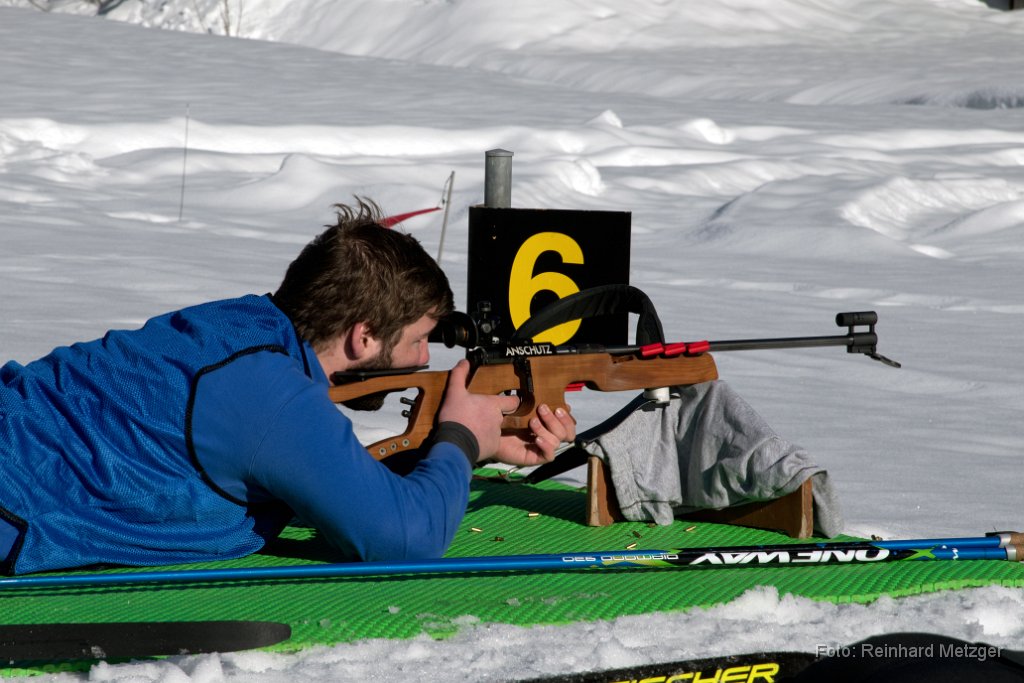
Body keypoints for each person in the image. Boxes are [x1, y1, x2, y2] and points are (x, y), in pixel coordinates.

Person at [0, 199, 576, 576]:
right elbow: (405, 540)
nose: (427, 358)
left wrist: (477, 446)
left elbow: (317, 473)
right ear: (364, 335)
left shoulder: (240, 326)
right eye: (421, 339)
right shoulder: (270, 398)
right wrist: (460, 438)